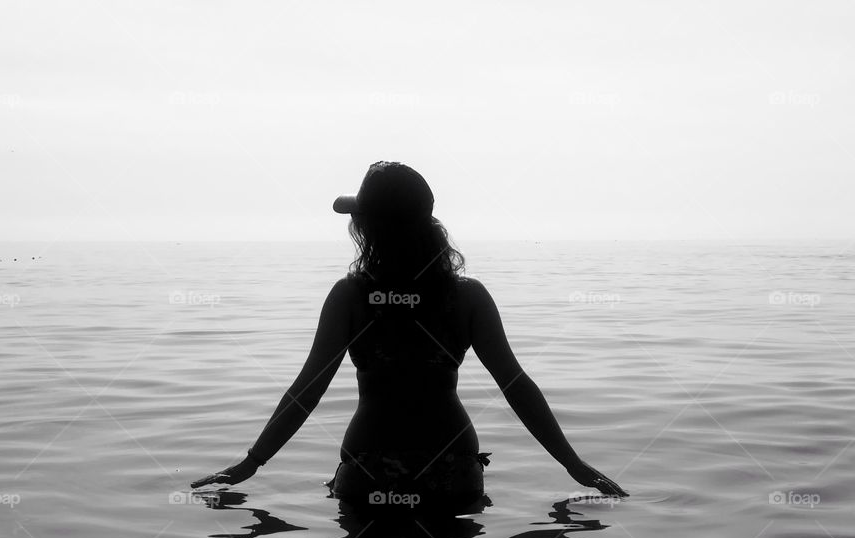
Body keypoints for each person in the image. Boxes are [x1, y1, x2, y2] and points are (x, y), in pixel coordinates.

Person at [192, 161, 627, 505]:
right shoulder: (468, 296)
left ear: (365, 227)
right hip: (453, 473)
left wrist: (251, 464)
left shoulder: (350, 297)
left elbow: (308, 390)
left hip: (370, 472)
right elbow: (515, 385)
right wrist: (573, 465)